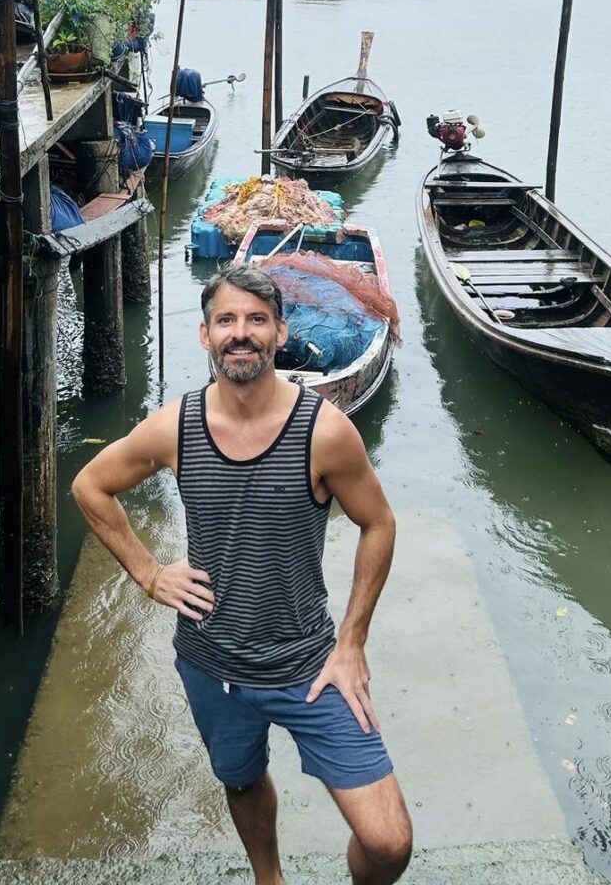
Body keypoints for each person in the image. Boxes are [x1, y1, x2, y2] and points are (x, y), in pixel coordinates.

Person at [72, 263, 412, 885]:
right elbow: (91, 485)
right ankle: (268, 878)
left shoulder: (326, 433)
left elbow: (380, 524)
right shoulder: (176, 426)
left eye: (256, 320)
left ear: (281, 332)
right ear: (205, 335)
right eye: (225, 320)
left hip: (311, 664)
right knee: (242, 778)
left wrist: (353, 641)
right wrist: (149, 574)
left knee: (388, 843)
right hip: (211, 663)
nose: (241, 333)